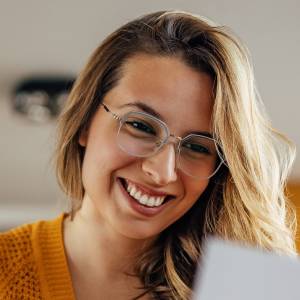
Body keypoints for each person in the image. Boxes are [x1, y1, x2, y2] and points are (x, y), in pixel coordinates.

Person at [0, 10, 297, 300]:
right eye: (140, 126)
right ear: (85, 121)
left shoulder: (246, 290)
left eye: (197, 147)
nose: (163, 172)